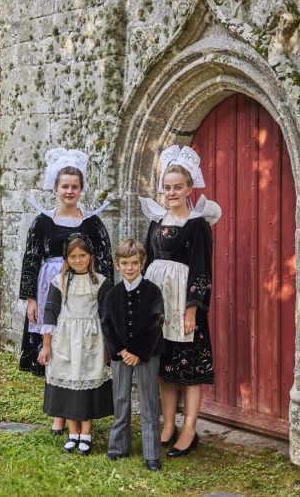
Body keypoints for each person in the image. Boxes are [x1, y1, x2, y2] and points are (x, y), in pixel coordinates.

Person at [18, 148, 114, 435]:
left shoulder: (92, 222)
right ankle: (58, 413)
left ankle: (81, 410)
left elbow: (106, 260)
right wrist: (31, 299)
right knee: (55, 349)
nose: (69, 191)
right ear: (55, 188)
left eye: (74, 186)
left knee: (79, 351)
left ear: (81, 190)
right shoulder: (42, 222)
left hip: (83, 300)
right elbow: (30, 260)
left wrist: (105, 302)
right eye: (64, 186)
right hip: (51, 293)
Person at [138, 145, 222, 458]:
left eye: (178, 187)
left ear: (190, 188)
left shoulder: (198, 224)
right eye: (168, 187)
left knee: (189, 367)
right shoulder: (156, 220)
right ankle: (168, 424)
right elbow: (147, 262)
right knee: (164, 366)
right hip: (160, 302)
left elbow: (202, 269)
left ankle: (189, 428)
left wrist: (192, 309)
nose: (172, 192)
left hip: (183, 303)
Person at [37, 235, 114, 455]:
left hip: (91, 340)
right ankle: (73, 433)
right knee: (70, 381)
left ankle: (86, 434)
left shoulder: (100, 281)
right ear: (67, 258)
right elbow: (50, 314)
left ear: (90, 257)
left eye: (82, 256)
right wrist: (46, 346)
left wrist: (108, 349)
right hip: (65, 339)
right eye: (73, 256)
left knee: (86, 380)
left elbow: (106, 316)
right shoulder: (58, 281)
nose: (78, 260)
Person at [99, 239, 165, 471]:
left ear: (142, 264)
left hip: (147, 354)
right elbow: (107, 324)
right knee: (121, 399)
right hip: (120, 355)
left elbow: (156, 322)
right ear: (117, 265)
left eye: (134, 263)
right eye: (125, 263)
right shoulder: (112, 294)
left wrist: (138, 352)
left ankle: (151, 453)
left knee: (149, 402)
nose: (129, 268)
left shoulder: (152, 291)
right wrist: (121, 350)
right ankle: (118, 446)